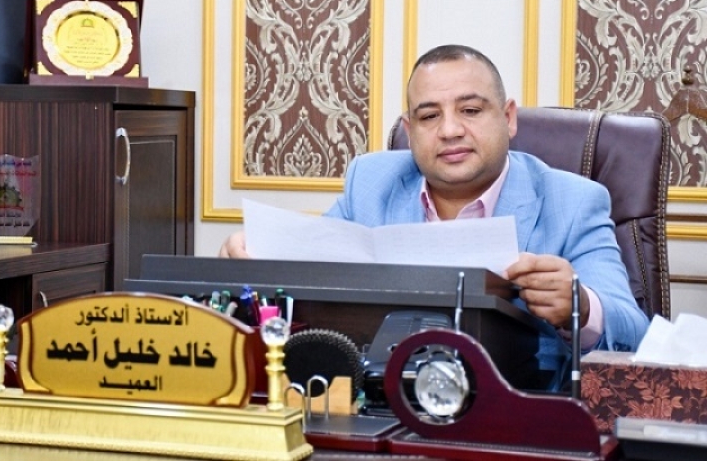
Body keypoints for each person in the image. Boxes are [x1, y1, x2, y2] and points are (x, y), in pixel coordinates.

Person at [219, 44, 650, 388]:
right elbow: (314, 274)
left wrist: (580, 306)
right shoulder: (371, 183)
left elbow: (637, 334)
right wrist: (253, 261)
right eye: (429, 116)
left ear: (508, 118)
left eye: (470, 110)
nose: (449, 130)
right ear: (409, 131)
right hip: (381, 407)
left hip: (513, 416)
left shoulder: (572, 202)